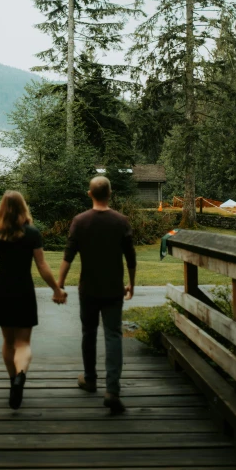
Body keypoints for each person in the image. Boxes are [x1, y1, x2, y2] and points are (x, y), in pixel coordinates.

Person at [0, 190, 67, 409]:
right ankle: (20, 376)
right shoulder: (33, 233)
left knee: (8, 342)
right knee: (23, 343)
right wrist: (56, 289)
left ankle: (12, 382)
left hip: (2, 291)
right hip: (24, 291)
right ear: (23, 207)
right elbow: (42, 266)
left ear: (2, 208)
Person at [57, 175, 136, 414]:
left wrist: (59, 284)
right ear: (110, 194)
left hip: (88, 289)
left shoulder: (80, 221)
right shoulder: (121, 221)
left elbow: (68, 255)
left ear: (90, 194)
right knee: (113, 336)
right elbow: (130, 257)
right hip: (113, 289)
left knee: (88, 332)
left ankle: (90, 379)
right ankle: (112, 390)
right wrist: (131, 284)